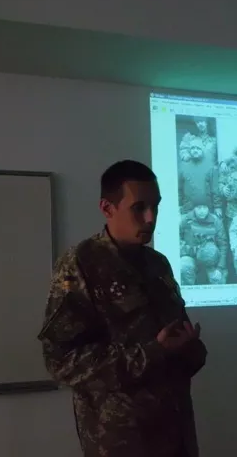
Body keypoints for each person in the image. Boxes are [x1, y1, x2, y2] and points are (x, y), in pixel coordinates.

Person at [38, 160, 207, 457]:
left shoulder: (157, 264)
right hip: (122, 439)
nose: (150, 218)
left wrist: (190, 349)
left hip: (175, 431)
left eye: (155, 207)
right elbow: (62, 361)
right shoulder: (82, 264)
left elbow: (175, 345)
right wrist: (153, 352)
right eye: (139, 208)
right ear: (107, 208)